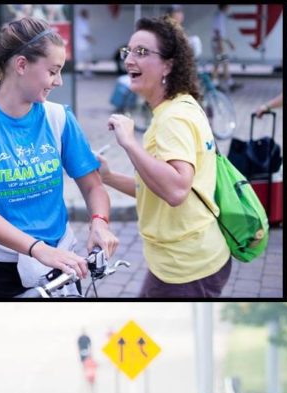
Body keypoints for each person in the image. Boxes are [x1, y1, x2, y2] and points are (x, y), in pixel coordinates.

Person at [0, 16, 118, 298]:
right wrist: (37, 249)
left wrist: (99, 222)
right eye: (53, 71)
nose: (59, 81)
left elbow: (93, 185)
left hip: (58, 261)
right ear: (22, 65)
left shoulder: (59, 117)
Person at [97, 16, 231, 297]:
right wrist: (107, 176)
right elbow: (155, 185)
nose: (130, 60)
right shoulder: (181, 106)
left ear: (169, 65)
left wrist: (129, 143)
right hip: (191, 258)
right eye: (128, 51)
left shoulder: (173, 118)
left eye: (142, 52)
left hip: (185, 266)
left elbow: (175, 189)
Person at [212, 5, 238, 91]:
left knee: (221, 63)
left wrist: (229, 43)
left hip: (219, 42)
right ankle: (224, 84)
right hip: (219, 43)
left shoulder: (221, 16)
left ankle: (226, 83)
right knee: (221, 63)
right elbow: (218, 32)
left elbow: (222, 33)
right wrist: (220, 45)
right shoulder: (219, 16)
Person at [74, 8, 94, 78]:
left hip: (79, 44)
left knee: (80, 60)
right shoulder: (81, 21)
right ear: (83, 14)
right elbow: (85, 34)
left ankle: (80, 73)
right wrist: (92, 40)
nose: (88, 15)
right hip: (82, 45)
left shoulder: (78, 20)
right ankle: (85, 73)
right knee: (85, 60)